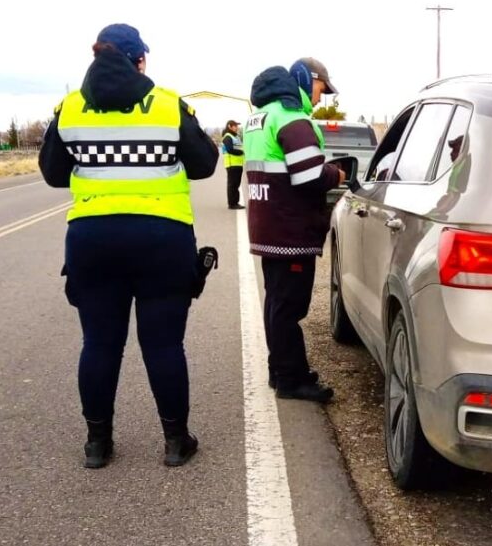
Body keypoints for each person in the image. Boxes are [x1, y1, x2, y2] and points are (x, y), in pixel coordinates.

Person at [38, 23, 219, 469]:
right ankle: (176, 441)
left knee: (99, 343)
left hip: (92, 239)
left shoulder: (71, 107)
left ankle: (98, 444)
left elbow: (54, 174)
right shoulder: (167, 104)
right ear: (139, 60)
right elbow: (205, 165)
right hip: (163, 238)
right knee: (163, 345)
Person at [242, 57, 345, 402]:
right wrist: (337, 175)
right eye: (320, 89)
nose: (320, 99)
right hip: (290, 231)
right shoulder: (292, 118)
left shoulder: (259, 117)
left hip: (268, 227)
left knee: (277, 303)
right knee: (289, 309)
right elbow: (310, 176)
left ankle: (281, 369)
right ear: (306, 79)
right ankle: (291, 379)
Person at [222, 119, 246, 209]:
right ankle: (232, 204)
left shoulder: (236, 137)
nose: (237, 127)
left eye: (237, 126)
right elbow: (230, 150)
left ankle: (235, 202)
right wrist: (241, 152)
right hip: (232, 164)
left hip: (238, 164)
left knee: (236, 184)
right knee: (233, 185)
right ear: (229, 126)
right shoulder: (227, 137)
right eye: (235, 126)